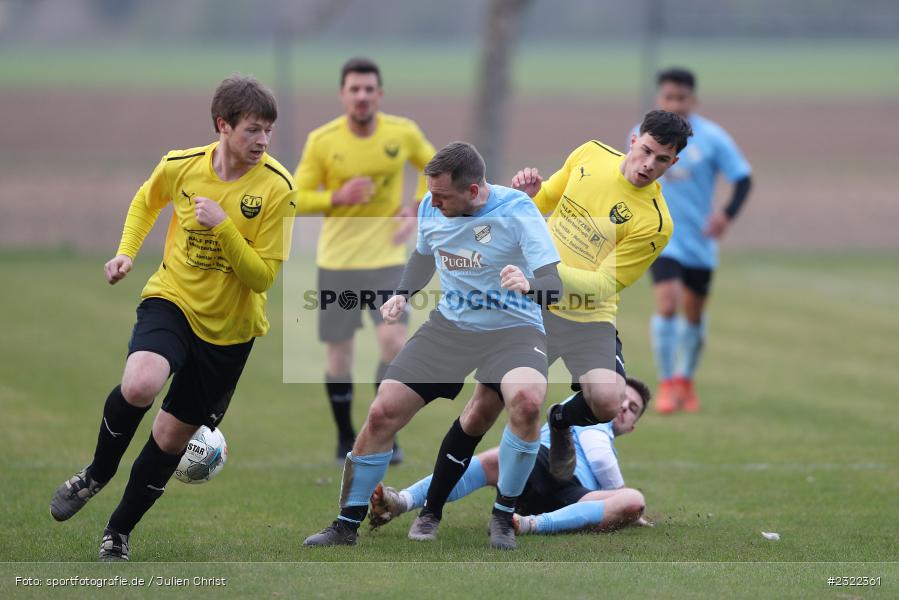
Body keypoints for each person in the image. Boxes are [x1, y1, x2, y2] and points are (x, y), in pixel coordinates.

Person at [49, 75, 297, 561]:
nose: (263, 140)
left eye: (269, 130)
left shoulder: (279, 188)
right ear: (223, 125)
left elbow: (262, 277)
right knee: (140, 382)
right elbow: (147, 201)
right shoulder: (180, 165)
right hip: (173, 299)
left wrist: (223, 226)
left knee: (169, 437)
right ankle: (97, 473)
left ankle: (118, 531)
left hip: (230, 331)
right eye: (252, 129)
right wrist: (126, 252)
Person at [302, 141, 563, 550]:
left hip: (514, 330)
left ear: (473, 191)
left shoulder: (517, 210)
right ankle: (345, 524)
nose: (432, 202)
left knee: (528, 402)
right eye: (431, 194)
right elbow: (424, 257)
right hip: (450, 328)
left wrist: (529, 285)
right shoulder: (431, 206)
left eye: (442, 196)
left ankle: (502, 516)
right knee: (382, 412)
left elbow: (554, 286)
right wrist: (401, 294)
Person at [293, 57, 436, 462]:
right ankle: (344, 438)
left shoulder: (402, 132)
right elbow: (295, 197)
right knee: (340, 354)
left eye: (368, 89)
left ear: (380, 94)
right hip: (337, 264)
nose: (361, 96)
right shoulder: (322, 141)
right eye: (354, 89)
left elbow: (436, 168)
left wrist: (415, 208)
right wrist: (336, 196)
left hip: (388, 261)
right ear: (343, 95)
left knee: (394, 343)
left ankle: (382, 431)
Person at [369, 377, 652, 536]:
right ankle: (402, 501)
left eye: (633, 409)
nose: (624, 407)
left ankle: (528, 524)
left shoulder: (608, 436)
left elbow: (605, 467)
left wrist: (626, 507)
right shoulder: (590, 409)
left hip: (575, 495)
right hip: (541, 463)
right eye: (622, 399)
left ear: (633, 426)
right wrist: (616, 491)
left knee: (634, 500)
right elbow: (599, 458)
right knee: (499, 458)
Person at [635, 68, 752, 413]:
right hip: (661, 237)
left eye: (681, 98)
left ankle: (685, 379)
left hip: (699, 240)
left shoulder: (713, 138)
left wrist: (725, 216)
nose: (674, 103)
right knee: (667, 302)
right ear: (659, 98)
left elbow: (743, 179)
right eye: (668, 97)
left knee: (694, 314)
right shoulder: (642, 134)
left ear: (693, 100)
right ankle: (666, 382)